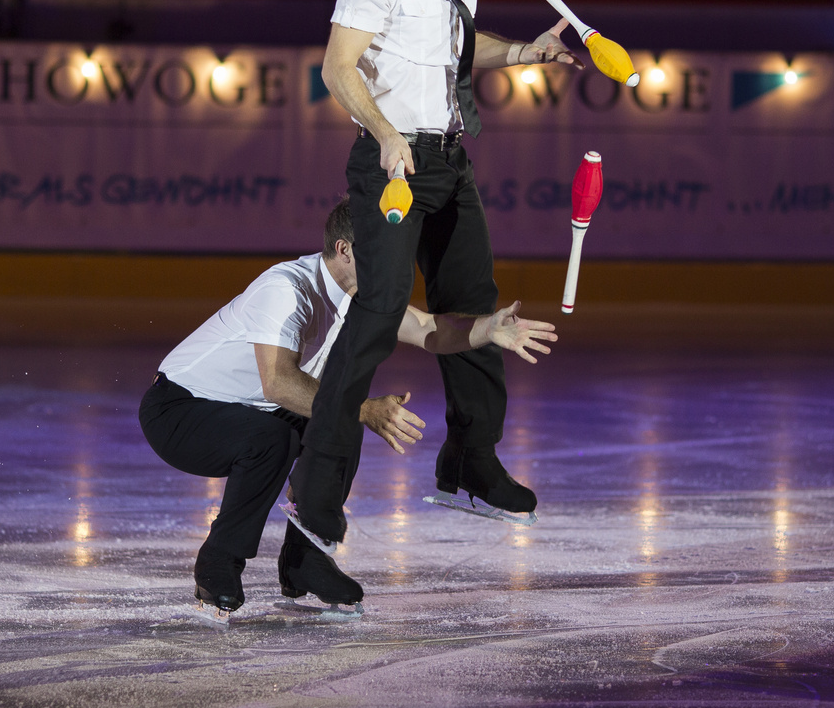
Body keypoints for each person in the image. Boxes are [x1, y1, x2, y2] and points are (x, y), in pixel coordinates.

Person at [285, 0, 581, 561]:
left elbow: (456, 46)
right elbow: (337, 65)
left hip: (448, 158)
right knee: (381, 308)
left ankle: (469, 465)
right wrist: (385, 134)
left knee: (477, 305)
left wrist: (523, 54)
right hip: (392, 163)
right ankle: (317, 492)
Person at [138, 197, 557, 614]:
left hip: (252, 411)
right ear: (345, 250)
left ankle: (305, 558)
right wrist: (364, 408)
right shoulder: (286, 288)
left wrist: (489, 330)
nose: (395, 264)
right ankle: (218, 561)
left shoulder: (365, 296)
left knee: (336, 422)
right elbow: (279, 384)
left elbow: (429, 329)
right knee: (282, 433)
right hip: (180, 408)